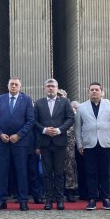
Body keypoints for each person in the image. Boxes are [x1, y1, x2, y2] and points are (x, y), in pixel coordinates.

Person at [0, 77, 35, 211]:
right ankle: (1, 200)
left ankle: (23, 200)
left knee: (21, 172)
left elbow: (30, 120)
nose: (14, 86)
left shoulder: (26, 100)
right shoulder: (1, 99)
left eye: (16, 84)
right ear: (8, 86)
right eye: (12, 84)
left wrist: (19, 135)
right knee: (2, 172)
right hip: (3, 141)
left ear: (20, 87)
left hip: (20, 142)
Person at [75, 82, 110, 210]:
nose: (94, 92)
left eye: (97, 90)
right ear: (88, 92)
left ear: (102, 91)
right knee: (90, 172)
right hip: (89, 144)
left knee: (106, 172)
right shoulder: (82, 107)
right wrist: (79, 144)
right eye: (92, 90)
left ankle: (106, 198)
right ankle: (92, 199)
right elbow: (78, 127)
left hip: (106, 143)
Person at [34, 78, 74, 210]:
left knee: (59, 172)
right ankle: (48, 200)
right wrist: (44, 130)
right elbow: (34, 121)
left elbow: (70, 118)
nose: (51, 88)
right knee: (46, 173)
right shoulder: (39, 103)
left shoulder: (65, 102)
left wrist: (59, 129)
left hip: (59, 141)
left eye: (53, 86)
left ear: (57, 88)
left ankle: (59, 199)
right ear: (44, 88)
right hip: (45, 142)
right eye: (48, 86)